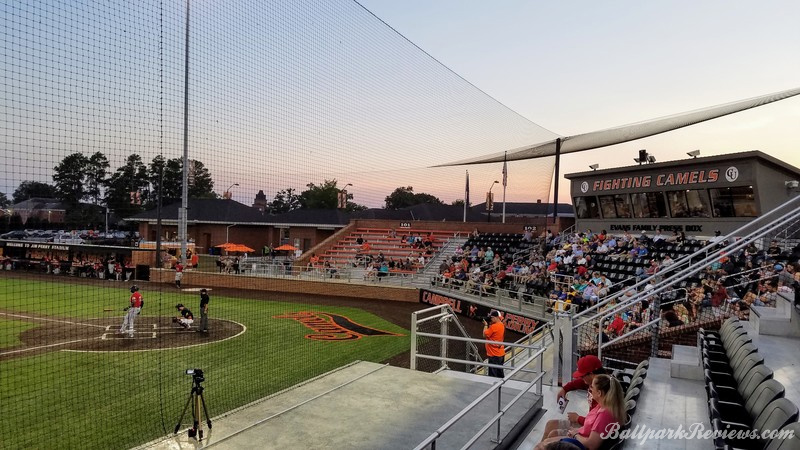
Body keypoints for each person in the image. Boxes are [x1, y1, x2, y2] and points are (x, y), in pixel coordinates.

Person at [536, 374, 625, 450]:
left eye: (592, 387)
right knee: (550, 436)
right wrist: (577, 431)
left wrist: (575, 434)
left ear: (599, 393)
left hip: (579, 445)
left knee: (541, 446)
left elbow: (591, 445)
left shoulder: (605, 415)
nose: (590, 389)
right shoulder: (604, 406)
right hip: (579, 438)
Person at [540, 355, 606, 441]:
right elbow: (580, 383)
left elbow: (597, 424)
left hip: (590, 431)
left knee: (553, 434)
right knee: (550, 425)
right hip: (587, 423)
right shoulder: (594, 382)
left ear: (591, 374)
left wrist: (578, 418)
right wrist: (565, 389)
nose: (581, 379)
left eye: (582, 376)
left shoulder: (604, 395)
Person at [483, 310, 505, 378]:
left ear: (496, 317)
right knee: (500, 374)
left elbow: (484, 335)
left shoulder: (494, 327)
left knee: (492, 376)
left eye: (492, 317)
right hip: (500, 353)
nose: (491, 319)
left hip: (494, 354)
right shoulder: (501, 324)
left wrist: (486, 325)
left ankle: (494, 385)